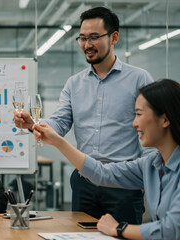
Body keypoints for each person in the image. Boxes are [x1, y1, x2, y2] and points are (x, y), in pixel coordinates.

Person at [14, 7, 153, 224]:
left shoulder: (139, 79)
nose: (87, 45)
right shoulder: (74, 83)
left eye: (94, 37)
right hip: (84, 181)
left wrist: (149, 174)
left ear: (114, 37)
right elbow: (60, 122)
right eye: (82, 38)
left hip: (123, 184)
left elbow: (152, 130)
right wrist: (35, 124)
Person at [34, 79, 180, 239]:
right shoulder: (150, 165)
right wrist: (58, 141)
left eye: (138, 114)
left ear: (165, 120)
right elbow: (102, 173)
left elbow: (171, 229)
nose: (134, 123)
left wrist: (118, 228)